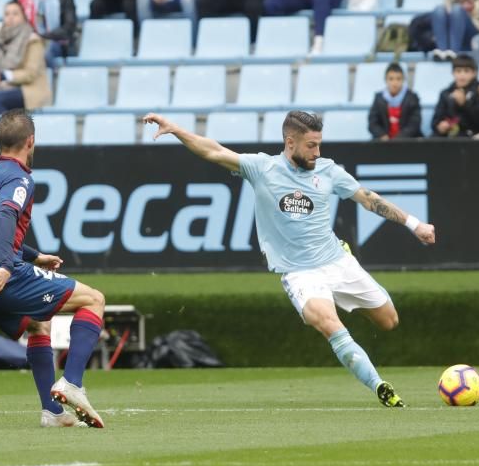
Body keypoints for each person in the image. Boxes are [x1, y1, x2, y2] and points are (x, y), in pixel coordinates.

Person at [142, 109, 436, 407]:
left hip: (337, 261)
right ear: (290, 142)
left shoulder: (329, 171)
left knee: (389, 321)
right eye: (311, 145)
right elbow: (215, 152)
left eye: (319, 144)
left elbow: (369, 199)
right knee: (330, 324)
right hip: (300, 274)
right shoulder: (262, 168)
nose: (317, 152)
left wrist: (415, 224)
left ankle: (346, 298)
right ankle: (379, 386)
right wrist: (177, 129)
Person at [0, 109, 108, 428]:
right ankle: (72, 384)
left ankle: (52, 412)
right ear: (31, 141)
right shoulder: (19, 177)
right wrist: (10, 267)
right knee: (94, 299)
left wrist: (34, 256)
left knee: (39, 325)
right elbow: (5, 218)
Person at [0, 2, 50, 115]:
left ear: (24, 17)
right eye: (7, 14)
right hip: (2, 88)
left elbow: (30, 74)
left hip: (27, 89)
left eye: (15, 14)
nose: (10, 17)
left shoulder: (33, 41)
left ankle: (11, 132)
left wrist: (2, 75)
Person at [14, 0, 78, 69]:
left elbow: (69, 26)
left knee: (43, 53)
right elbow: (14, 20)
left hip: (56, 41)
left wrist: (43, 37)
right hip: (27, 39)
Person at [431, 54, 479, 137]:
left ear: (474, 73)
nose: (462, 75)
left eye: (466, 71)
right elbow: (436, 120)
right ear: (453, 73)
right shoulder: (445, 93)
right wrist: (440, 126)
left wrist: (464, 104)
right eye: (458, 71)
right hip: (449, 135)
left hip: (472, 136)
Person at [368, 63, 423, 139]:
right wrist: (382, 135)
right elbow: (372, 123)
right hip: (384, 143)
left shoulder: (412, 98)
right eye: (391, 79)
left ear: (403, 80)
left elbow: (414, 124)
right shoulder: (378, 98)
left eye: (398, 79)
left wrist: (398, 139)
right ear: (385, 80)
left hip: (407, 141)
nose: (394, 83)